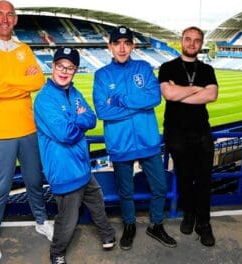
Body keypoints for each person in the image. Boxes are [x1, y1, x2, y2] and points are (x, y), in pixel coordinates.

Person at [0, 1, 53, 261]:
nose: (5, 19)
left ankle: (41, 221)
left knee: (34, 181)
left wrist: (7, 81)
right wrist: (21, 82)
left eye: (9, 15)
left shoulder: (23, 48)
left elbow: (38, 80)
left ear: (15, 20)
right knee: (1, 187)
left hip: (28, 128)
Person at [93, 25, 177, 250]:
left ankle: (156, 224)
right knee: (125, 191)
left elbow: (154, 98)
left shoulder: (143, 67)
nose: (122, 48)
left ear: (132, 46)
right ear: (110, 46)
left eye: (126, 43)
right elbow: (102, 111)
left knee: (159, 188)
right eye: (117, 43)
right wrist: (137, 103)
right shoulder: (101, 75)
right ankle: (129, 225)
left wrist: (121, 100)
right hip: (120, 144)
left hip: (148, 141)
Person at [34, 47, 116, 264]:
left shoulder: (75, 93)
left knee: (96, 200)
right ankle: (57, 253)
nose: (64, 71)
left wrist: (76, 119)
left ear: (75, 70)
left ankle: (107, 235)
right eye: (60, 66)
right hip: (63, 170)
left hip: (82, 167)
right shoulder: (44, 99)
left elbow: (92, 119)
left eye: (69, 67)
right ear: (52, 66)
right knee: (68, 219)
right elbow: (66, 133)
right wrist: (78, 119)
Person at [158, 26, 218, 247]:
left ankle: (204, 224)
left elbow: (211, 95)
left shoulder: (207, 69)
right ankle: (189, 214)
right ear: (181, 41)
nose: (192, 43)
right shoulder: (167, 67)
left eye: (196, 40)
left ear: (201, 44)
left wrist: (181, 91)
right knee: (184, 178)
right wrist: (195, 89)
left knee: (204, 181)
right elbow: (168, 94)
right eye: (188, 39)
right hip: (176, 132)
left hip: (202, 133)